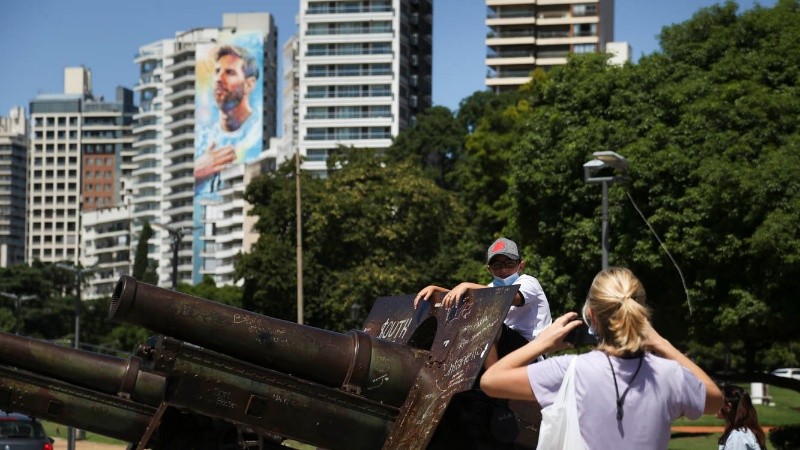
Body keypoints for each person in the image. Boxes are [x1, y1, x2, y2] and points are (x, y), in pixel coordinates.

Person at [480, 267, 724, 449]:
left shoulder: (570, 371)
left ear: (591, 316)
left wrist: (541, 342)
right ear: (640, 314)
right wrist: (662, 343)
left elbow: (491, 381)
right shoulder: (669, 375)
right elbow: (715, 400)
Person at [414, 237, 552, 366]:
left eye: (509, 263)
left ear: (521, 266)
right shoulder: (491, 289)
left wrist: (466, 285)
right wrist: (437, 290)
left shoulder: (528, 282)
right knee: (465, 323)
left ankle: (493, 379)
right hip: (507, 354)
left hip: (532, 353)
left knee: (489, 323)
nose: (504, 269)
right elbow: (469, 297)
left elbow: (508, 297)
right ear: (489, 269)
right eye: (497, 265)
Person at [195, 44, 261, 195]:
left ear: (249, 85)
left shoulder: (255, 135)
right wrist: (197, 172)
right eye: (217, 71)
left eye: (229, 72)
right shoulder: (202, 136)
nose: (219, 78)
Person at [717, 384, 766, 450]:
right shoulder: (740, 433)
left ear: (728, 407)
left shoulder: (737, 437)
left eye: (718, 401)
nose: (714, 405)